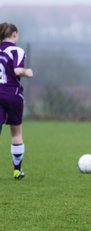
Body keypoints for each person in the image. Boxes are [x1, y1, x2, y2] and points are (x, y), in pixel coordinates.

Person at [0, 22, 34, 180]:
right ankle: (17, 170)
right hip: (12, 94)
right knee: (16, 133)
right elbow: (17, 70)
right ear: (14, 34)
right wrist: (27, 72)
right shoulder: (16, 50)